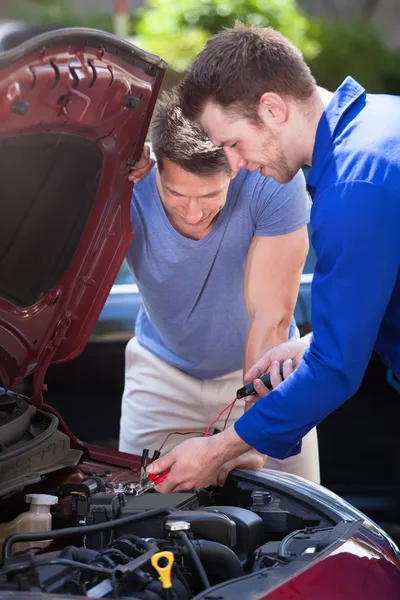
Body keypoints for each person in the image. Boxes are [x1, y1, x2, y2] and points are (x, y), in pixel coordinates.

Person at [146, 23, 400, 493]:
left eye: (233, 144)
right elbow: (380, 290)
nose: (235, 164)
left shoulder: (351, 188)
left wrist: (219, 449)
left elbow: (335, 369)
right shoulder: (382, 121)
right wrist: (306, 345)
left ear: (272, 108)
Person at [120, 88, 320, 482]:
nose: (193, 213)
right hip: (161, 374)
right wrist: (107, 170)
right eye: (176, 194)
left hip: (269, 373)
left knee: (299, 521)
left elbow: (271, 316)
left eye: (210, 195)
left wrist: (252, 434)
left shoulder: (271, 182)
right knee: (134, 520)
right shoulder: (129, 181)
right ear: (156, 166)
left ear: (235, 164)